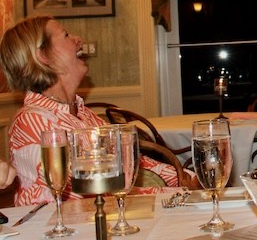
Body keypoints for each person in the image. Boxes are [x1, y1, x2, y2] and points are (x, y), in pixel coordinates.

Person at [0, 15, 199, 206]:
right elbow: (93, 194)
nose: (79, 40)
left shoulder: (82, 113)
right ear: (43, 56)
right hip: (61, 227)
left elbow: (130, 164)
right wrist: (178, 192)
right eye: (66, 35)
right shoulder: (32, 122)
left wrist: (187, 177)